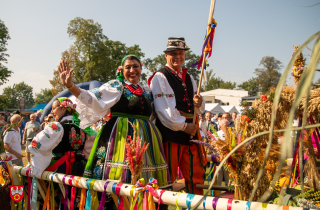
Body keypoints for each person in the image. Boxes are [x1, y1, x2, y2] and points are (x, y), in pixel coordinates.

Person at [58, 57, 170, 186]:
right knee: (118, 176)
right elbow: (92, 98)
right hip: (120, 136)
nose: (132, 70)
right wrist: (70, 86)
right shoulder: (116, 87)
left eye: (135, 66)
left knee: (144, 177)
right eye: (128, 67)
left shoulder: (147, 91)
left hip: (146, 138)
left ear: (141, 68)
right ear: (121, 70)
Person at [149, 37, 206, 195]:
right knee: (167, 178)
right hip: (171, 133)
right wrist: (183, 126)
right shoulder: (160, 77)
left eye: (180, 53)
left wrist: (199, 103)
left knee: (196, 176)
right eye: (173, 53)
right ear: (165, 56)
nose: (177, 57)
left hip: (192, 132)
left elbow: (199, 108)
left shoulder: (190, 77)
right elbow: (163, 109)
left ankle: (195, 206)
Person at [28, 97, 95, 178]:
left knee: (59, 190)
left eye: (53, 108)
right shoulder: (83, 127)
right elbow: (89, 151)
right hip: (79, 168)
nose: (52, 112)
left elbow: (37, 145)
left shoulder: (57, 127)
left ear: (63, 109)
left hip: (60, 169)